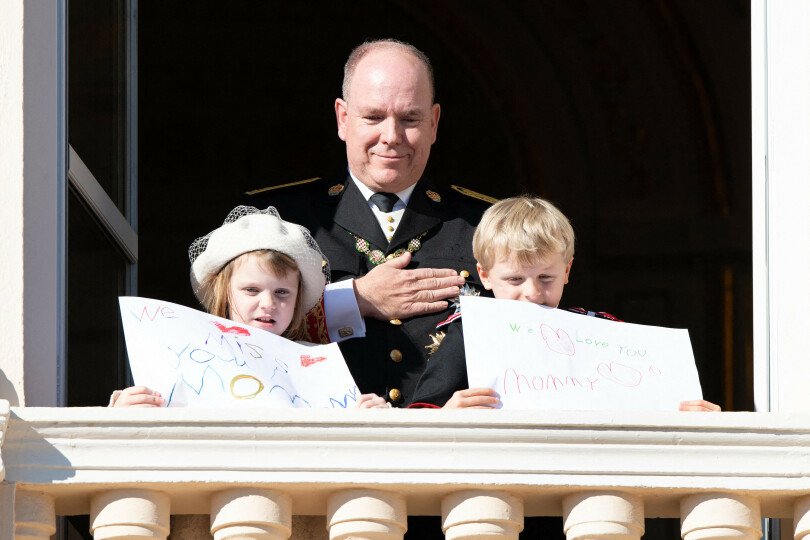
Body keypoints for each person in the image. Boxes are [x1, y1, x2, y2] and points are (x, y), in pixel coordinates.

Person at [246, 39, 494, 407]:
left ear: (434, 122)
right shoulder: (278, 219)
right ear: (343, 119)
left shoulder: (487, 225)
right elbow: (228, 332)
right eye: (373, 117)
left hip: (449, 448)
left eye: (410, 118)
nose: (391, 136)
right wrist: (354, 301)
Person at [409, 195, 721, 412]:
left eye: (546, 278)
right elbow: (423, 412)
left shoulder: (603, 333)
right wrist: (446, 415)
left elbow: (652, 405)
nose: (531, 292)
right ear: (485, 275)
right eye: (515, 280)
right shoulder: (470, 333)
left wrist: (689, 414)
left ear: (567, 271)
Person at [112, 205, 387, 409]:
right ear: (224, 294)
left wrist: (368, 417)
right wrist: (124, 411)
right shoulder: (179, 356)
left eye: (282, 292)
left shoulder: (322, 367)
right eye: (251, 290)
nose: (268, 304)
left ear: (298, 299)